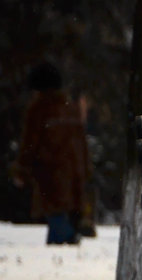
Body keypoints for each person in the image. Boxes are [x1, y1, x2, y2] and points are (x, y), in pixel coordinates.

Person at [10, 62, 92, 245]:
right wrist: (85, 168)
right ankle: (61, 243)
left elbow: (30, 142)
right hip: (73, 169)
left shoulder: (38, 109)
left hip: (49, 169)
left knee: (55, 212)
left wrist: (22, 169)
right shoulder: (70, 106)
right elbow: (81, 141)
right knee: (61, 212)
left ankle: (68, 237)